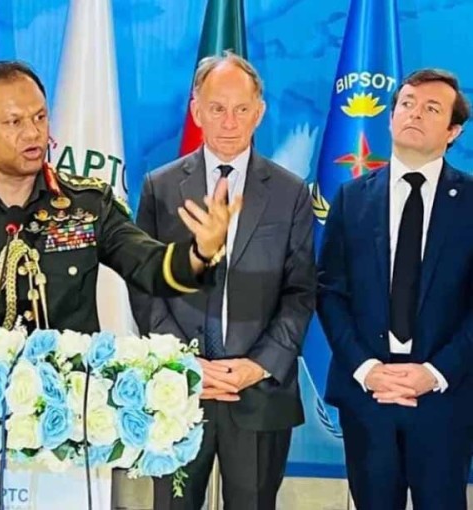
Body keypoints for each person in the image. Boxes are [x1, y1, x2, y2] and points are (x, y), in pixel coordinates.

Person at [0, 59, 237, 334]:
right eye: (14, 122)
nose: (33, 133)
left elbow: (149, 266)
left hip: (72, 401)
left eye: (40, 117)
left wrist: (200, 252)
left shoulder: (88, 204)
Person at [131, 52, 315, 510]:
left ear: (260, 111)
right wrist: (184, 362)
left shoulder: (291, 193)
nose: (229, 121)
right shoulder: (161, 186)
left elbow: (301, 292)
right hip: (178, 391)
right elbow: (145, 286)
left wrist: (258, 365)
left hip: (258, 391)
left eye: (241, 109)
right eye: (217, 108)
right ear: (196, 110)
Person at [318, 68, 473, 510]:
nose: (414, 114)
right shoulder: (350, 199)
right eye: (406, 103)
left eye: (431, 108)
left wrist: (434, 372)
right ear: (389, 118)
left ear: (452, 131)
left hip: (446, 398)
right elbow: (330, 293)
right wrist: (366, 368)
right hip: (369, 396)